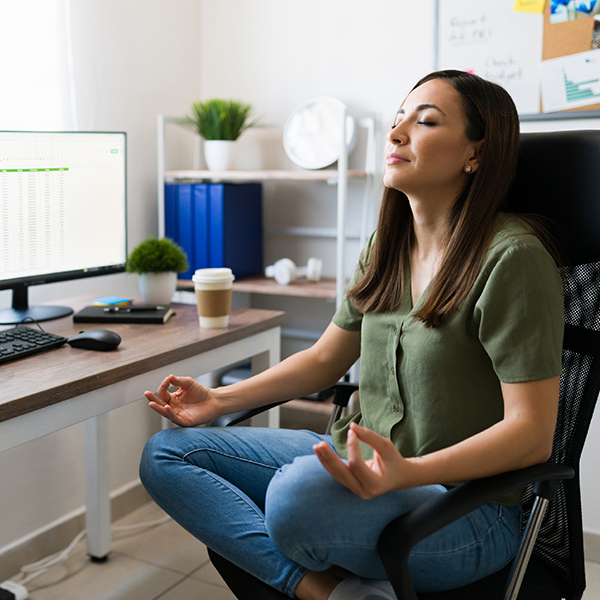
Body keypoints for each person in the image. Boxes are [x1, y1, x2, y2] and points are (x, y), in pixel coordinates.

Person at [139, 70, 564, 600]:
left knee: (295, 499)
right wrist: (217, 399)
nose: (397, 133)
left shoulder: (513, 259)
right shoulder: (386, 247)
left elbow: (532, 433)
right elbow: (323, 360)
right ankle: (328, 591)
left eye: (426, 120)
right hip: (360, 462)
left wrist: (407, 473)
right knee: (167, 454)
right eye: (396, 121)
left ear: (475, 153)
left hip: (464, 509)